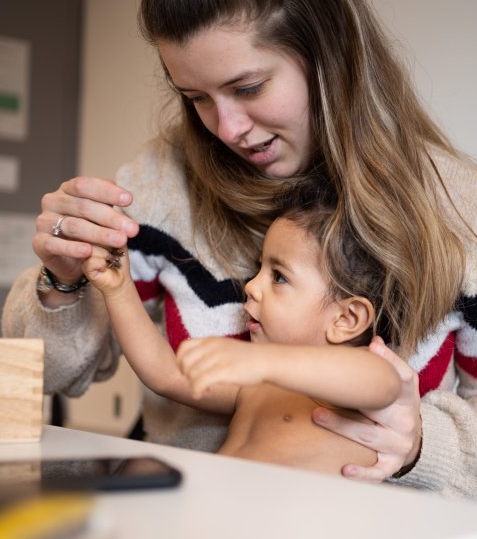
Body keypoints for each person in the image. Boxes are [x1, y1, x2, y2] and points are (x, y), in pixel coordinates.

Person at [3, 0, 477, 504]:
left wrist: (420, 447)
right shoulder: (157, 186)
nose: (226, 129)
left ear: (328, 56)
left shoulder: (471, 211)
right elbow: (58, 375)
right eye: (196, 98)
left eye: (248, 87)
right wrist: (69, 279)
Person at [82, 180, 404, 475]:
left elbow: (385, 383)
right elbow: (165, 374)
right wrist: (119, 288)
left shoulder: (355, 387)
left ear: (346, 320)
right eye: (259, 269)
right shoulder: (254, 386)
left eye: (278, 276)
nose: (251, 286)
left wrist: (261, 362)